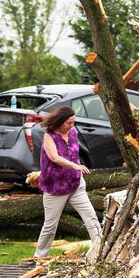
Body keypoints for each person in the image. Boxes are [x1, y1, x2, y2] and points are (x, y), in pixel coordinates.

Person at [34, 106, 101, 257]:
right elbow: (54, 157)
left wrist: (76, 170)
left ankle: (100, 251)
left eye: (73, 122)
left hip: (76, 184)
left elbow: (74, 154)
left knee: (91, 217)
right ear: (59, 121)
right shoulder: (49, 136)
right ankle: (39, 256)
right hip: (55, 187)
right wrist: (75, 166)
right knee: (50, 226)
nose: (71, 126)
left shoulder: (72, 133)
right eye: (68, 123)